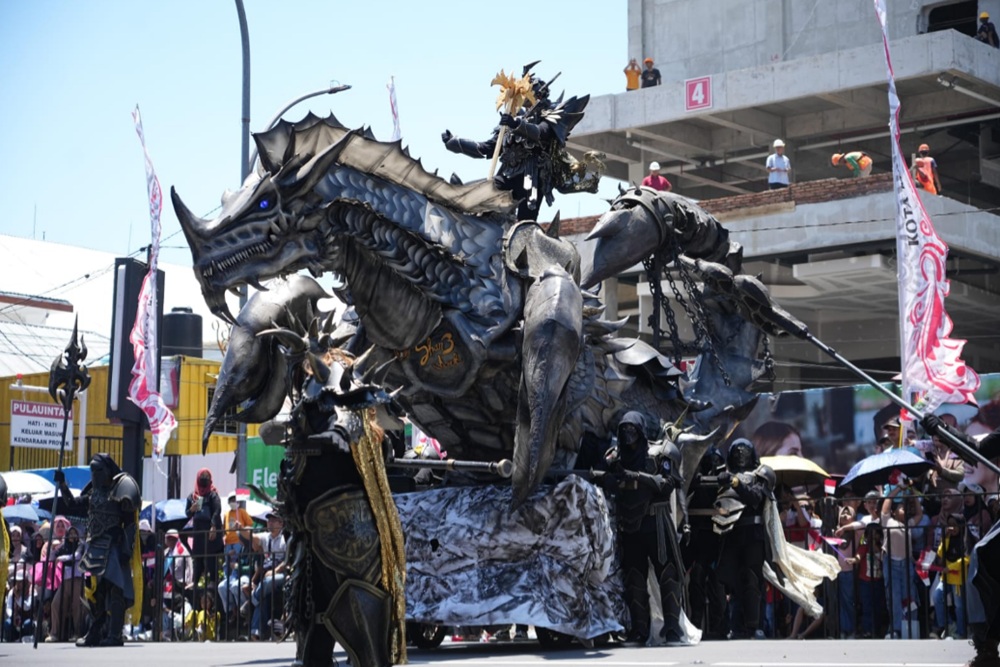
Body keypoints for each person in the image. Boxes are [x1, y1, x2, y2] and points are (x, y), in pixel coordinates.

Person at [442, 63, 599, 221]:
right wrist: (455, 143)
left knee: (525, 225)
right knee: (478, 200)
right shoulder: (513, 118)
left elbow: (540, 132)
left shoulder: (549, 115)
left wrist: (516, 124)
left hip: (532, 180)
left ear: (538, 94)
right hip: (506, 176)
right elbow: (485, 149)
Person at [599, 412, 688, 645]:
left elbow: (667, 485)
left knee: (668, 574)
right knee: (633, 578)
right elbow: (604, 481)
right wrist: (609, 479)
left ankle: (672, 628)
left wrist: (636, 476)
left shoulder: (660, 453)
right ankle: (639, 630)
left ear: (641, 430)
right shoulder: (615, 456)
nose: (628, 434)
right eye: (624, 429)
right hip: (629, 526)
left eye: (632, 429)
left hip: (656, 522)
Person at [56, 453, 141, 647]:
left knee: (116, 590)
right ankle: (95, 632)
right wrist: (62, 485)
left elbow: (130, 524)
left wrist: (126, 550)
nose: (95, 475)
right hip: (95, 548)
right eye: (92, 471)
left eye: (98, 470)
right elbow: (72, 504)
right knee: (96, 594)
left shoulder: (122, 488)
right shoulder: (93, 493)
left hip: (114, 547)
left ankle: (115, 634)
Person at [713, 438, 771, 639]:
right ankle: (736, 626)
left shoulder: (761, 474)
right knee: (733, 581)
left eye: (744, 451)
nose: (740, 455)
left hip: (753, 534)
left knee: (753, 580)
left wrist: (736, 483)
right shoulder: (725, 474)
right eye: (736, 451)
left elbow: (755, 498)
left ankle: (755, 626)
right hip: (731, 532)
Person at [880, 484, 923, 639]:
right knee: (894, 597)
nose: (904, 509)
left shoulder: (908, 524)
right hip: (891, 563)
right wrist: (898, 488)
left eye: (905, 507)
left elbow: (919, 513)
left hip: (906, 564)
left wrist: (912, 492)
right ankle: (896, 629)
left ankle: (909, 627)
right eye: (900, 507)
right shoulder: (888, 521)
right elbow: (887, 503)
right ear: (894, 512)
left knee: (909, 596)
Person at [249, 512, 287, 641]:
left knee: (269, 580)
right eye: (269, 521)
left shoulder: (285, 538)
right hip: (267, 576)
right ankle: (256, 632)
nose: (270, 523)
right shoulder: (266, 537)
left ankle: (252, 599)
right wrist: (241, 529)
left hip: (283, 574)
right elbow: (252, 537)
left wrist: (276, 570)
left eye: (273, 521)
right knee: (264, 599)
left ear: (280, 523)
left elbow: (288, 560)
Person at [931, 513, 969, 639]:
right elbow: (940, 553)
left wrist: (951, 567)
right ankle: (949, 625)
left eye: (955, 525)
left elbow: (967, 558)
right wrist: (946, 537)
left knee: (959, 606)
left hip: (958, 578)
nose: (952, 528)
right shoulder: (948, 537)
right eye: (950, 525)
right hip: (946, 577)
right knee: (937, 596)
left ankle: (961, 632)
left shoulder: (965, 538)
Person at [185, 468, 223, 590]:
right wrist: (192, 509)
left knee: (211, 556)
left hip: (210, 529)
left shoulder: (213, 494)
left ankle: (213, 580)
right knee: (198, 557)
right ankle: (195, 581)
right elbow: (187, 513)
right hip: (199, 530)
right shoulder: (192, 496)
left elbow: (217, 510)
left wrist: (213, 526)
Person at [48, 525, 85, 642]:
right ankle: (54, 633)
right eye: (70, 533)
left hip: (77, 579)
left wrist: (62, 558)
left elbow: (77, 556)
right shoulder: (64, 546)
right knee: (56, 604)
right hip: (65, 580)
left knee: (76, 607)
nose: (72, 536)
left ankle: (78, 633)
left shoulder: (80, 545)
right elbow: (52, 557)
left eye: (74, 533)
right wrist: (52, 549)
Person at [222, 490, 252, 561]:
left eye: (234, 500)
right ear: (229, 502)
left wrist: (242, 529)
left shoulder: (242, 512)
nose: (233, 502)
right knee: (228, 562)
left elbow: (250, 523)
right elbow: (224, 528)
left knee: (237, 561)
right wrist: (224, 537)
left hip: (238, 541)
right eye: (231, 500)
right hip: (228, 542)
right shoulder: (226, 514)